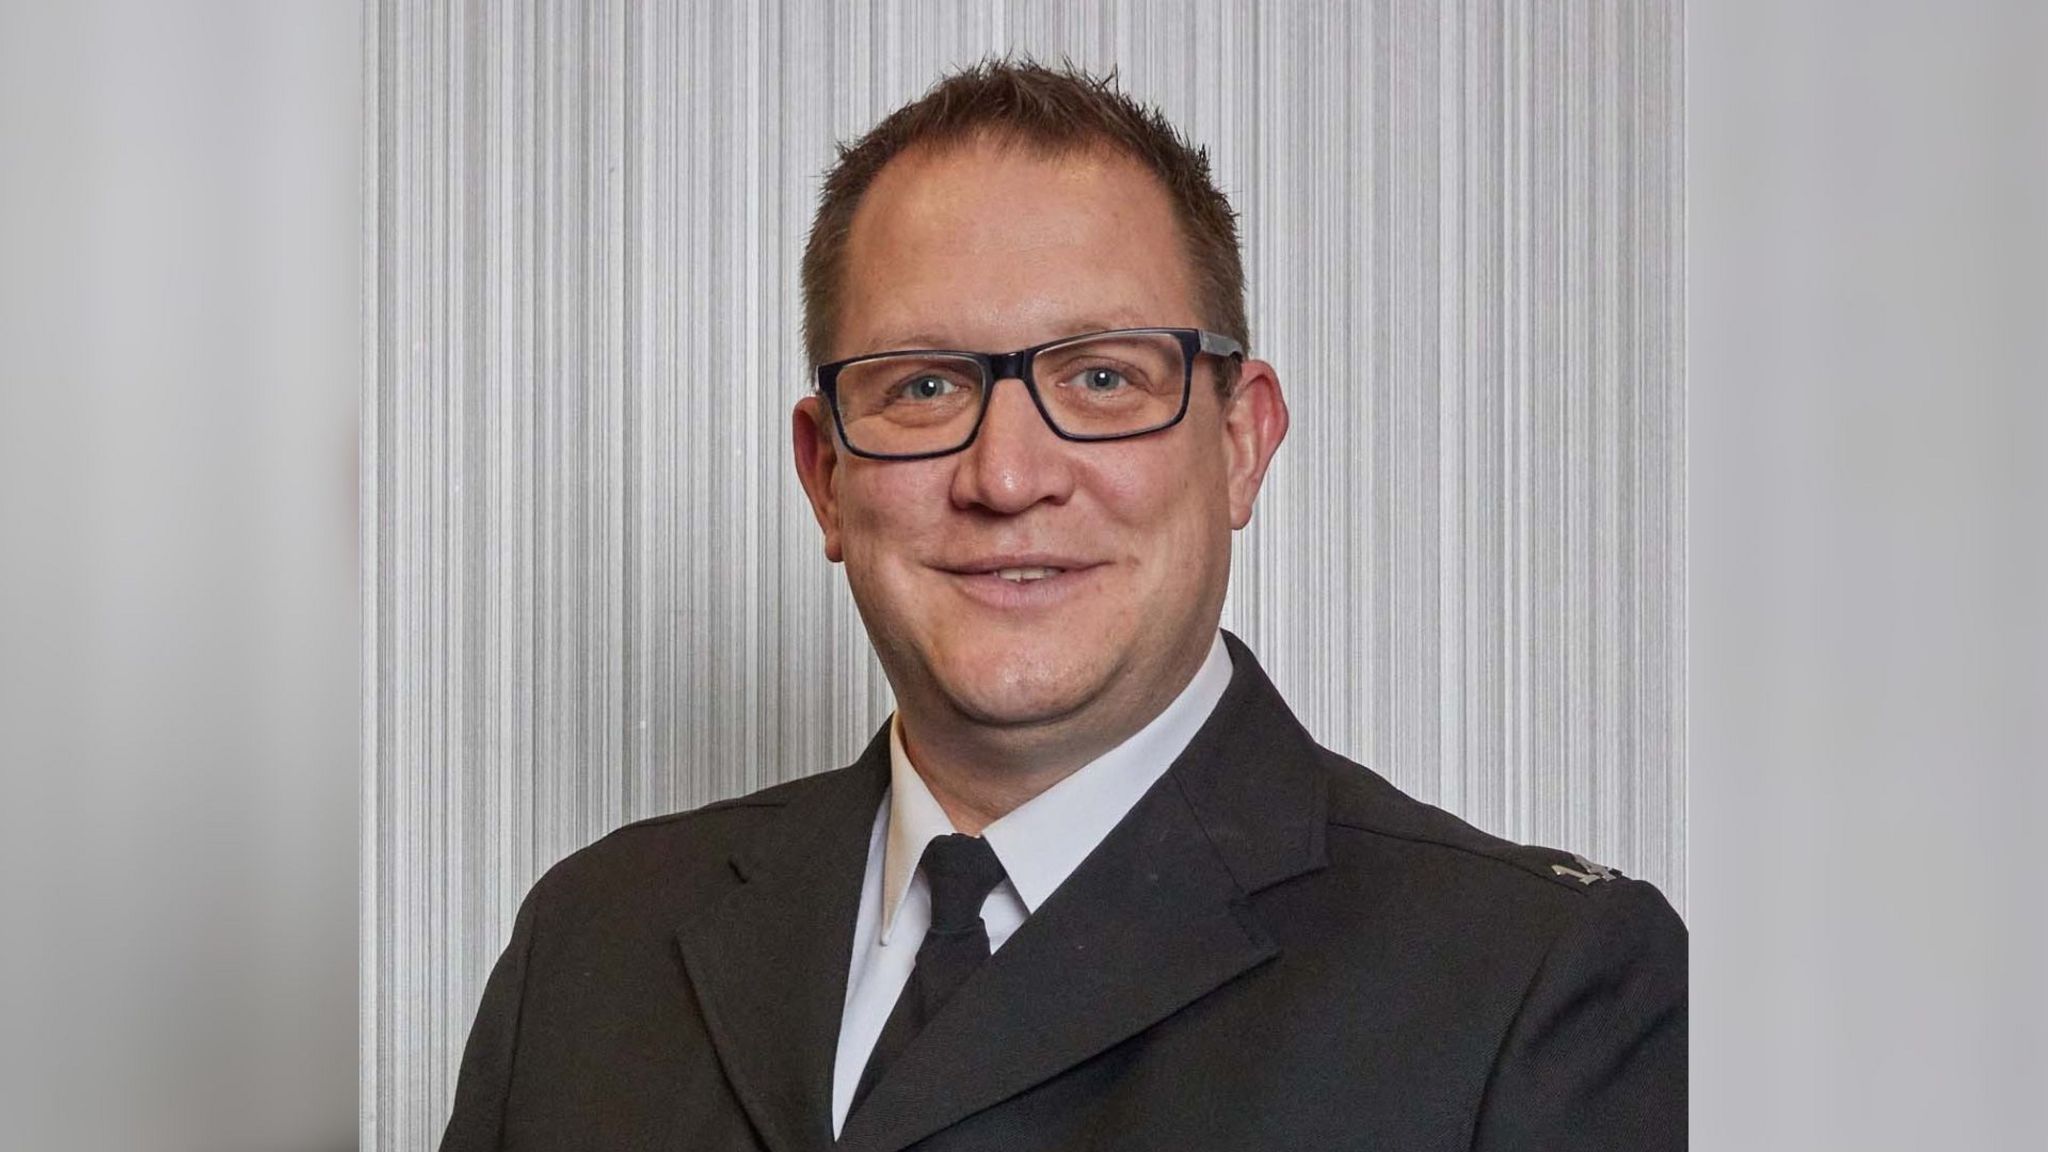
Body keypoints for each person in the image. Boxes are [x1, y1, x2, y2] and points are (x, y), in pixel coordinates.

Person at [438, 60, 1686, 1152]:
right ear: (825, 477)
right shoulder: (593, 948)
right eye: (922, 386)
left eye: (1100, 377)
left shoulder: (1531, 988)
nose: (1007, 477)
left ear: (1241, 443)